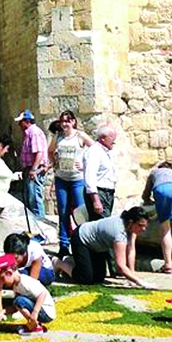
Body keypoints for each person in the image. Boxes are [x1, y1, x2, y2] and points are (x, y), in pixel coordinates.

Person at [55, 207, 149, 288]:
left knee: (98, 278)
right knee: (85, 279)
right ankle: (59, 263)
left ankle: (76, 263)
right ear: (131, 222)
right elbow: (120, 266)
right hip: (81, 238)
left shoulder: (131, 228)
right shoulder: (119, 233)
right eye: (141, 226)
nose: (143, 229)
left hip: (97, 246)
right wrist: (139, 282)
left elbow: (131, 250)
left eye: (145, 226)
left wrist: (132, 276)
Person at [49, 110, 93, 257]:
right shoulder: (58, 136)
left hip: (77, 180)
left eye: (68, 121)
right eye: (63, 121)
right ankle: (63, 245)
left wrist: (85, 164)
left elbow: (95, 150)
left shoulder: (80, 136)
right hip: (61, 178)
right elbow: (50, 151)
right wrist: (54, 162)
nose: (65, 124)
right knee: (63, 212)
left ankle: (83, 242)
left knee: (80, 212)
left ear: (73, 122)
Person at [0, 253, 56, 335]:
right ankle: (35, 324)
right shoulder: (16, 285)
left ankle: (35, 327)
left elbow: (42, 294)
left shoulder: (24, 281)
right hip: (41, 311)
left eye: (2, 278)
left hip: (46, 312)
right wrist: (2, 312)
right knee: (18, 301)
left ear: (9, 273)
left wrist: (35, 313)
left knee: (19, 300)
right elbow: (16, 307)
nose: (2, 282)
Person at [142, 161, 172, 273]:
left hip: (163, 189)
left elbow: (145, 195)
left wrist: (149, 202)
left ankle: (167, 264)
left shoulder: (154, 172)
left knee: (165, 225)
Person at [14, 109, 48, 218]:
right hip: (30, 169)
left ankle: (39, 222)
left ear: (27, 121)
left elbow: (39, 152)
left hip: (34, 170)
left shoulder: (34, 133)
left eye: (21, 122)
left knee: (35, 198)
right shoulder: (29, 133)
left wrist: (34, 170)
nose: (19, 125)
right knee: (31, 197)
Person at [83, 124, 117, 223]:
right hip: (99, 193)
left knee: (105, 222)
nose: (114, 141)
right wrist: (96, 201)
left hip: (107, 193)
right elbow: (90, 177)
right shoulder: (94, 152)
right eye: (111, 137)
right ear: (102, 138)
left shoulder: (105, 152)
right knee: (100, 224)